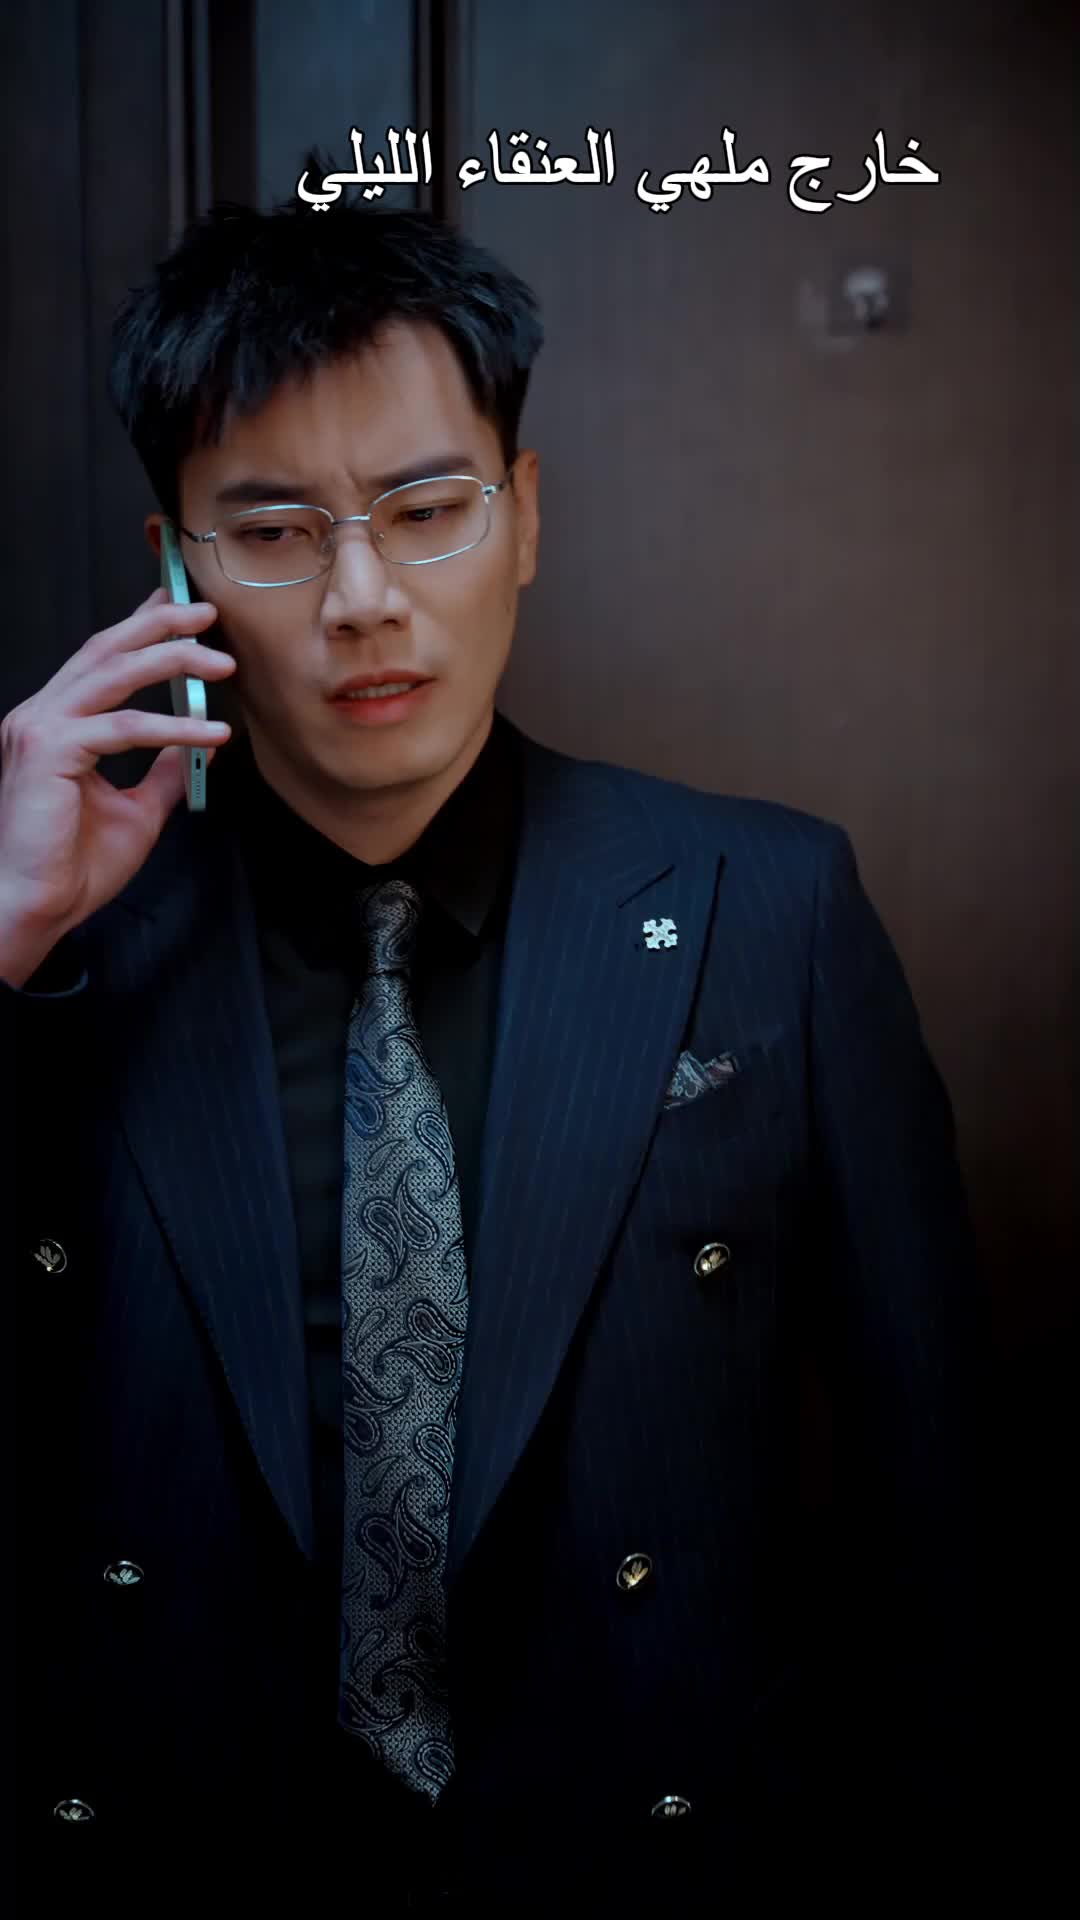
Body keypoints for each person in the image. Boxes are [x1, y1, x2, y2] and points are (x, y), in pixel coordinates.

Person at [5, 204, 979, 1909]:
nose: (363, 599)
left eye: (426, 509)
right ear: (178, 570)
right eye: (276, 532)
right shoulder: (67, 950)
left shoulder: (770, 905)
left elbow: (935, 1499)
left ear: (523, 516)